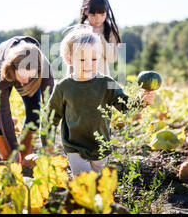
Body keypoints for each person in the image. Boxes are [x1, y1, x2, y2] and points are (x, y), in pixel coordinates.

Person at [42, 26, 154, 176]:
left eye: (93, 59)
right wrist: (46, 143)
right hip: (75, 147)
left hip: (101, 146)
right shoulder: (64, 87)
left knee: (101, 186)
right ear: (69, 59)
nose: (88, 64)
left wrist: (142, 100)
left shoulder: (106, 83)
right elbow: (50, 117)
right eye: (82, 59)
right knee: (86, 185)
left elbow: (125, 105)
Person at [0, 36, 54, 166]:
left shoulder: (43, 67)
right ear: (14, 68)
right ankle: (9, 160)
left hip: (24, 72)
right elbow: (2, 112)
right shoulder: (0, 67)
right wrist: (14, 149)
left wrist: (48, 143)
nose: (26, 82)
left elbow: (51, 107)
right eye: (23, 76)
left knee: (34, 112)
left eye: (30, 76)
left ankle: (25, 158)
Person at [74, 0, 122, 77]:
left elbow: (112, 58)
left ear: (106, 12)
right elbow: (72, 60)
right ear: (85, 12)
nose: (98, 19)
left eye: (102, 14)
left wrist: (100, 37)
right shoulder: (79, 31)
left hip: (102, 80)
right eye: (93, 15)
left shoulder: (109, 30)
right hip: (82, 80)